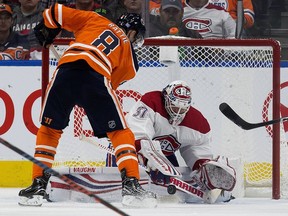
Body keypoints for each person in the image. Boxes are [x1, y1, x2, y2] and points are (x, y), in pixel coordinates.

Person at [18, 3, 156, 208]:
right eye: (137, 37)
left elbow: (54, 11)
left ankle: (37, 185)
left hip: (65, 71)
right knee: (120, 132)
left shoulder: (95, 19)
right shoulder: (130, 59)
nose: (136, 42)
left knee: (49, 130)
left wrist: (47, 26)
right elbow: (110, 82)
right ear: (132, 32)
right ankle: (131, 185)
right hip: (97, 76)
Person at [125, 80, 236, 203]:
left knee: (170, 184)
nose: (177, 112)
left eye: (182, 109)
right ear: (165, 98)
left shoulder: (198, 123)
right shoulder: (151, 102)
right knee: (121, 179)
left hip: (163, 155)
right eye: (174, 106)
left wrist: (202, 167)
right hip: (129, 149)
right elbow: (137, 135)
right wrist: (151, 161)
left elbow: (197, 148)